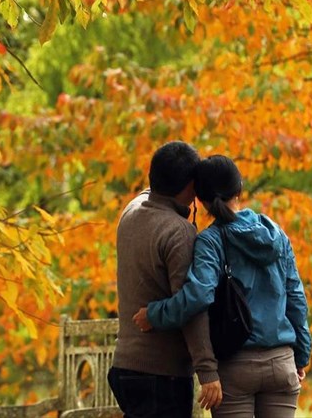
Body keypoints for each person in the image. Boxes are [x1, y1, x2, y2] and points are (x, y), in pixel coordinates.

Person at [133, 155, 312, 417]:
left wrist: (154, 314)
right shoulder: (275, 233)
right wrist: (301, 356)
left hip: (235, 368)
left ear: (200, 199)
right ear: (239, 188)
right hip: (281, 363)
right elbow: (296, 297)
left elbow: (198, 295)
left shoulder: (210, 241)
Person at [108, 141, 222, 418]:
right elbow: (191, 304)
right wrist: (207, 371)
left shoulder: (131, 212)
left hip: (124, 366)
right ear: (190, 187)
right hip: (161, 375)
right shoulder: (178, 232)